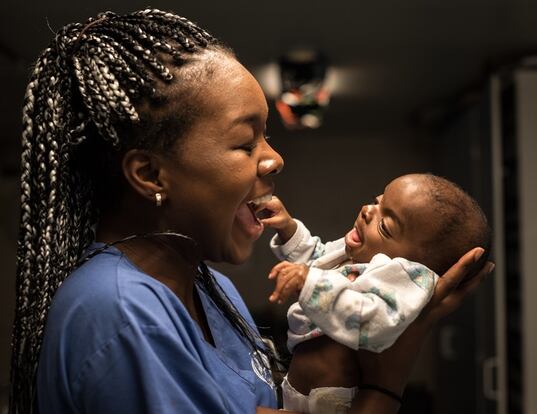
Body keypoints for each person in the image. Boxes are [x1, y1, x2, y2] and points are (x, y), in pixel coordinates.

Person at [9, 9, 494, 414]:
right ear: (151, 175)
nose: (275, 159)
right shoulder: (120, 312)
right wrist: (387, 378)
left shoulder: (212, 288)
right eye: (245, 142)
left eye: (268, 137)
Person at [261, 173, 490, 412]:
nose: (367, 210)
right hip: (296, 392)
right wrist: (289, 230)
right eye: (377, 201)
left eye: (385, 226)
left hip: (329, 402)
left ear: (415, 268)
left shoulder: (399, 279)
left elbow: (372, 322)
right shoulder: (358, 256)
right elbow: (319, 259)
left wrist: (309, 283)